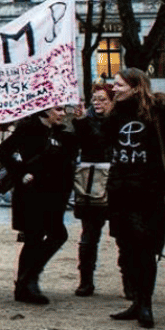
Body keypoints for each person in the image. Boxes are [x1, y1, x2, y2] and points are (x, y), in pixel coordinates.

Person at [104, 68, 165, 328]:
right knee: (126, 248)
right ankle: (135, 302)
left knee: (146, 249)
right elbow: (104, 143)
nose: (115, 88)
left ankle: (145, 304)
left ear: (135, 86)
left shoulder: (157, 112)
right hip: (121, 190)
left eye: (119, 84)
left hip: (148, 191)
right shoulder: (116, 113)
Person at [0, 105, 79, 305]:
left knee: (54, 235)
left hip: (55, 194)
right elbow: (3, 152)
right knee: (35, 237)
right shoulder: (28, 128)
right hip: (33, 193)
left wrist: (81, 120)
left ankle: (26, 281)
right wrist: (21, 173)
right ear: (45, 111)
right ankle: (27, 283)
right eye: (58, 110)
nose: (62, 113)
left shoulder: (60, 132)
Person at [71, 84, 114, 296]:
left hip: (116, 182)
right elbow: (82, 144)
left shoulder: (121, 121)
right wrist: (79, 122)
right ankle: (85, 280)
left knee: (125, 236)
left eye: (102, 99)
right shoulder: (84, 122)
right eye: (94, 99)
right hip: (92, 181)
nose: (97, 103)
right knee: (89, 234)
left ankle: (130, 283)